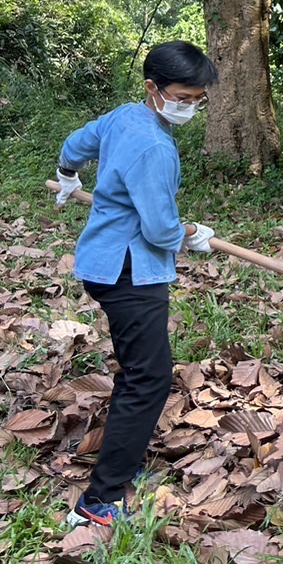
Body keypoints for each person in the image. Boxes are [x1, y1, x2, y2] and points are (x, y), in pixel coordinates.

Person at [53, 41, 219, 527]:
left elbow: (75, 144)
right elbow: (161, 230)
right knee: (148, 377)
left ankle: (123, 463)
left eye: (198, 100)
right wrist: (192, 233)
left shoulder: (124, 117)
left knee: (139, 370)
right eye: (183, 98)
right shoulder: (154, 147)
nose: (190, 107)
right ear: (153, 87)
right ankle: (99, 502)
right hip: (130, 272)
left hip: (101, 263)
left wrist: (67, 174)